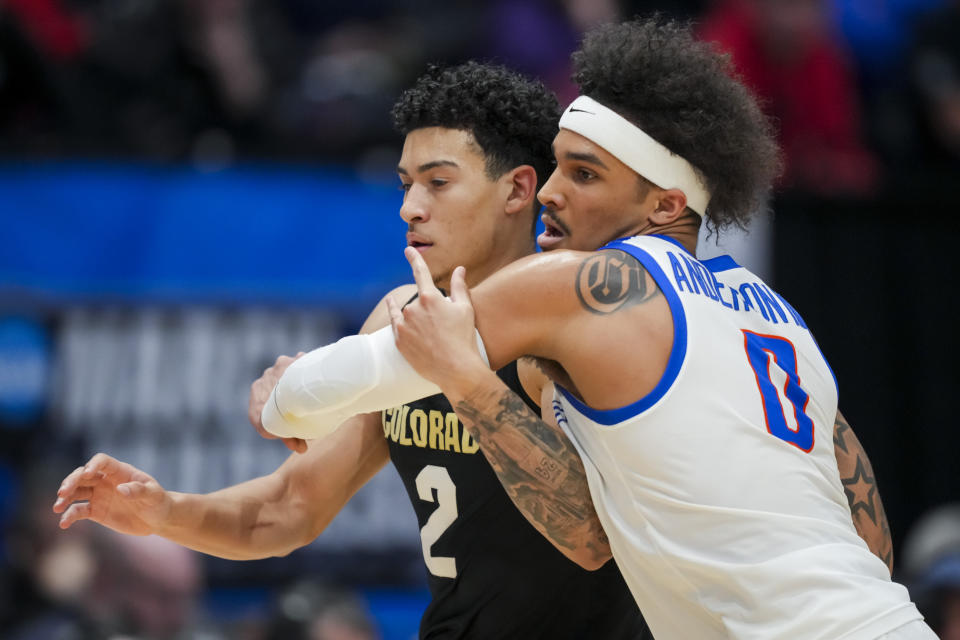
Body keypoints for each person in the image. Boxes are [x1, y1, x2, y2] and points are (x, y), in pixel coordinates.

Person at [259, 18, 933, 639]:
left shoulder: (586, 283)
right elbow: (870, 542)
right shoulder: (772, 314)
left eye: (583, 174)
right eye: (557, 165)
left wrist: (286, 395)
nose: (551, 192)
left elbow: (370, 371)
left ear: (665, 204)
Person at [53, 62, 650, 639]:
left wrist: (461, 379)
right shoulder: (398, 319)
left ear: (518, 189)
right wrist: (162, 512)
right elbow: (289, 508)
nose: (410, 206)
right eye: (406, 184)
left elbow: (590, 539)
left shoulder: (569, 334)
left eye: (438, 183)